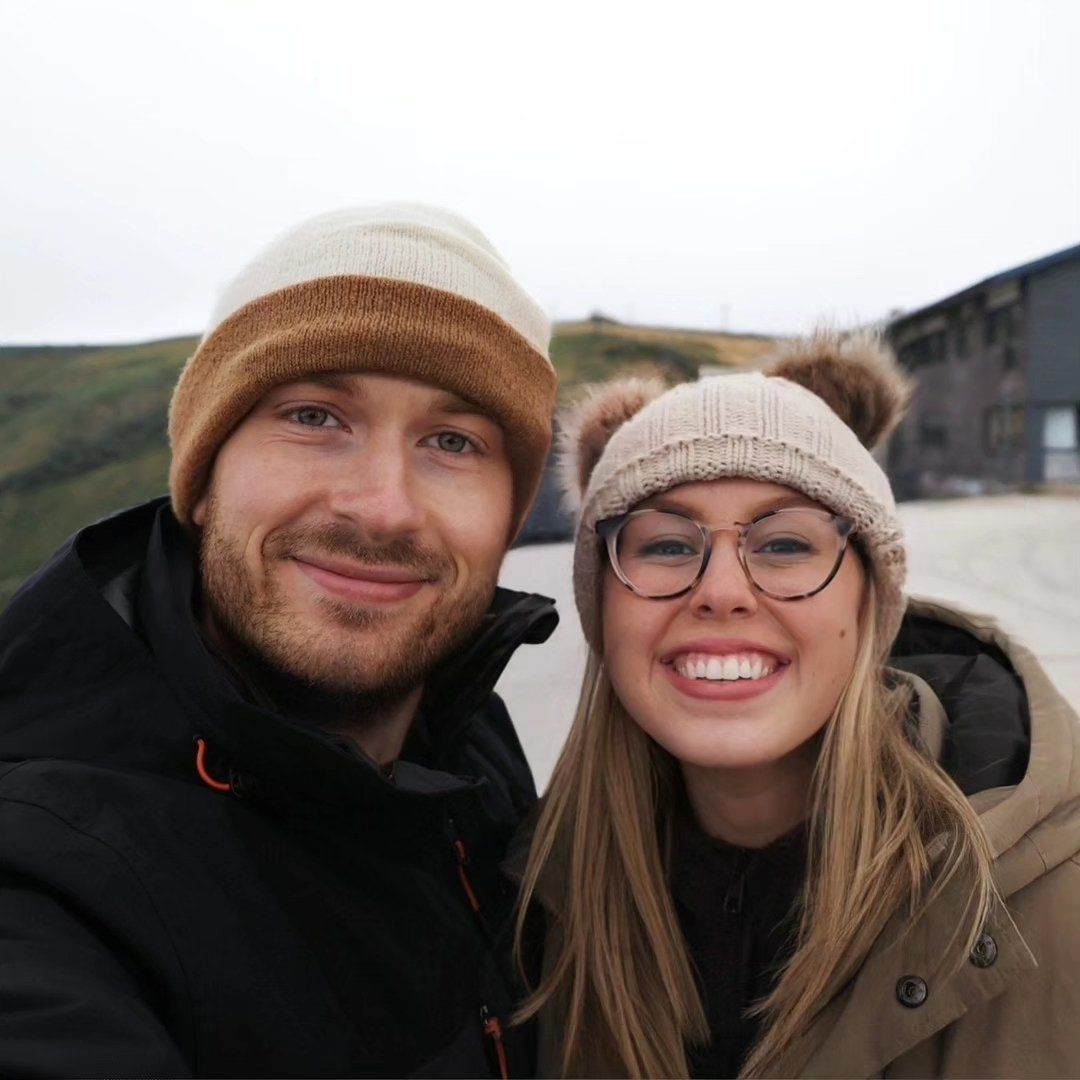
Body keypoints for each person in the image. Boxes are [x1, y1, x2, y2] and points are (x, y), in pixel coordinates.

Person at [0, 204, 559, 1077]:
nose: (382, 505)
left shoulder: (465, 730)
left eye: (453, 441)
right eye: (313, 417)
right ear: (204, 473)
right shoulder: (49, 875)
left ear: (508, 515)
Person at [513, 332, 1080, 1078]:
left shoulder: (1054, 904)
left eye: (784, 545)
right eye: (666, 545)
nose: (721, 591)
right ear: (603, 608)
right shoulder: (531, 896)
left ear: (870, 599)